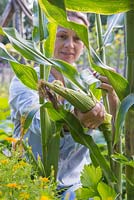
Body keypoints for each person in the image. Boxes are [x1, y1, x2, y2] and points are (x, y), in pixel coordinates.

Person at [9, 11, 118, 199]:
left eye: (77, 38)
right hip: (29, 181)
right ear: (49, 36)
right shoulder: (26, 79)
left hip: (73, 187)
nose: (70, 45)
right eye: (62, 36)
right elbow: (38, 123)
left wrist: (113, 97)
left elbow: (112, 133)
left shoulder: (89, 83)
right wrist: (75, 121)